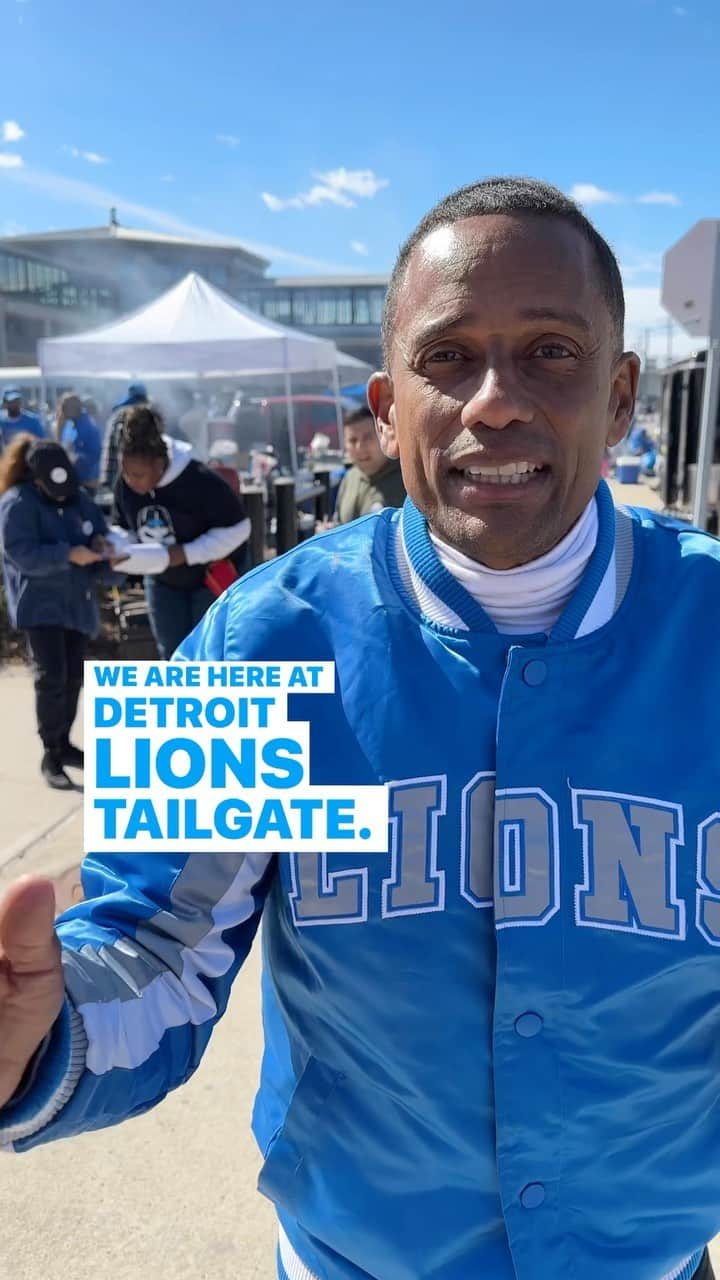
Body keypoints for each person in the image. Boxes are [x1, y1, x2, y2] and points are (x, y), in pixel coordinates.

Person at [2, 176, 720, 1280]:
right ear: (386, 412)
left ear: (622, 397)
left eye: (551, 353)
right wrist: (41, 1038)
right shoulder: (253, 639)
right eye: (449, 357)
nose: (495, 400)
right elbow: (155, 947)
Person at [0, 436, 113, 789]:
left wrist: (105, 550)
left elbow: (100, 534)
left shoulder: (80, 499)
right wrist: (66, 554)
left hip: (77, 604)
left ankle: (64, 743)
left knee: (73, 678)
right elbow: (21, 553)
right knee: (51, 678)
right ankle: (51, 752)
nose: (62, 496)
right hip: (41, 605)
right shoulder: (17, 503)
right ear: (35, 479)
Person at [110, 404, 251, 658]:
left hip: (208, 579)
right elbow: (125, 526)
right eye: (126, 473)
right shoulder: (125, 485)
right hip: (163, 581)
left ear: (160, 463)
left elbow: (239, 528)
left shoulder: (199, 479)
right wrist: (115, 545)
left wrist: (186, 553)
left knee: (209, 654)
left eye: (139, 475)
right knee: (173, 655)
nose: (131, 481)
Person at [319, 406, 406, 528]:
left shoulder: (407, 479)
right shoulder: (350, 478)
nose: (360, 447)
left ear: (382, 436)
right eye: (353, 440)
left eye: (368, 438)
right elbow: (340, 524)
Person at [98, 381, 149, 491]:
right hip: (123, 480)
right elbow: (126, 450)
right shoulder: (130, 416)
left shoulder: (118, 413)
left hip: (114, 478)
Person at [54, 393, 103, 492]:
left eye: (64, 407)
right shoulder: (69, 424)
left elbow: (96, 454)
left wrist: (75, 459)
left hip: (86, 483)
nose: (61, 410)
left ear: (76, 407)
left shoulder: (89, 427)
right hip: (72, 479)